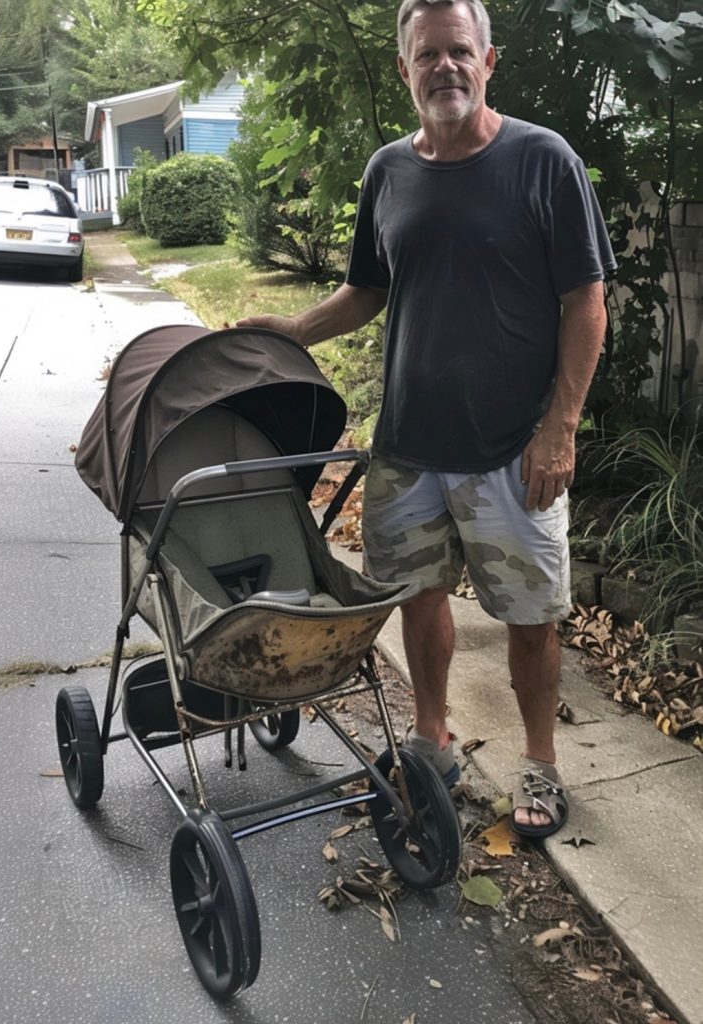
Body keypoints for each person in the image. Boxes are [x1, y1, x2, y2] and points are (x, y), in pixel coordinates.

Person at [237, 0, 616, 838]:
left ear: (488, 61)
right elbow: (368, 289)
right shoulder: (387, 170)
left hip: (512, 447)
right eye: (426, 55)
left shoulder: (540, 158)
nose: (443, 67)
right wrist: (296, 330)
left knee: (529, 615)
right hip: (406, 445)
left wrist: (560, 426)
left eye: (458, 52)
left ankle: (540, 765)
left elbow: (584, 300)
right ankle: (432, 739)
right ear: (405, 67)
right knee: (417, 598)